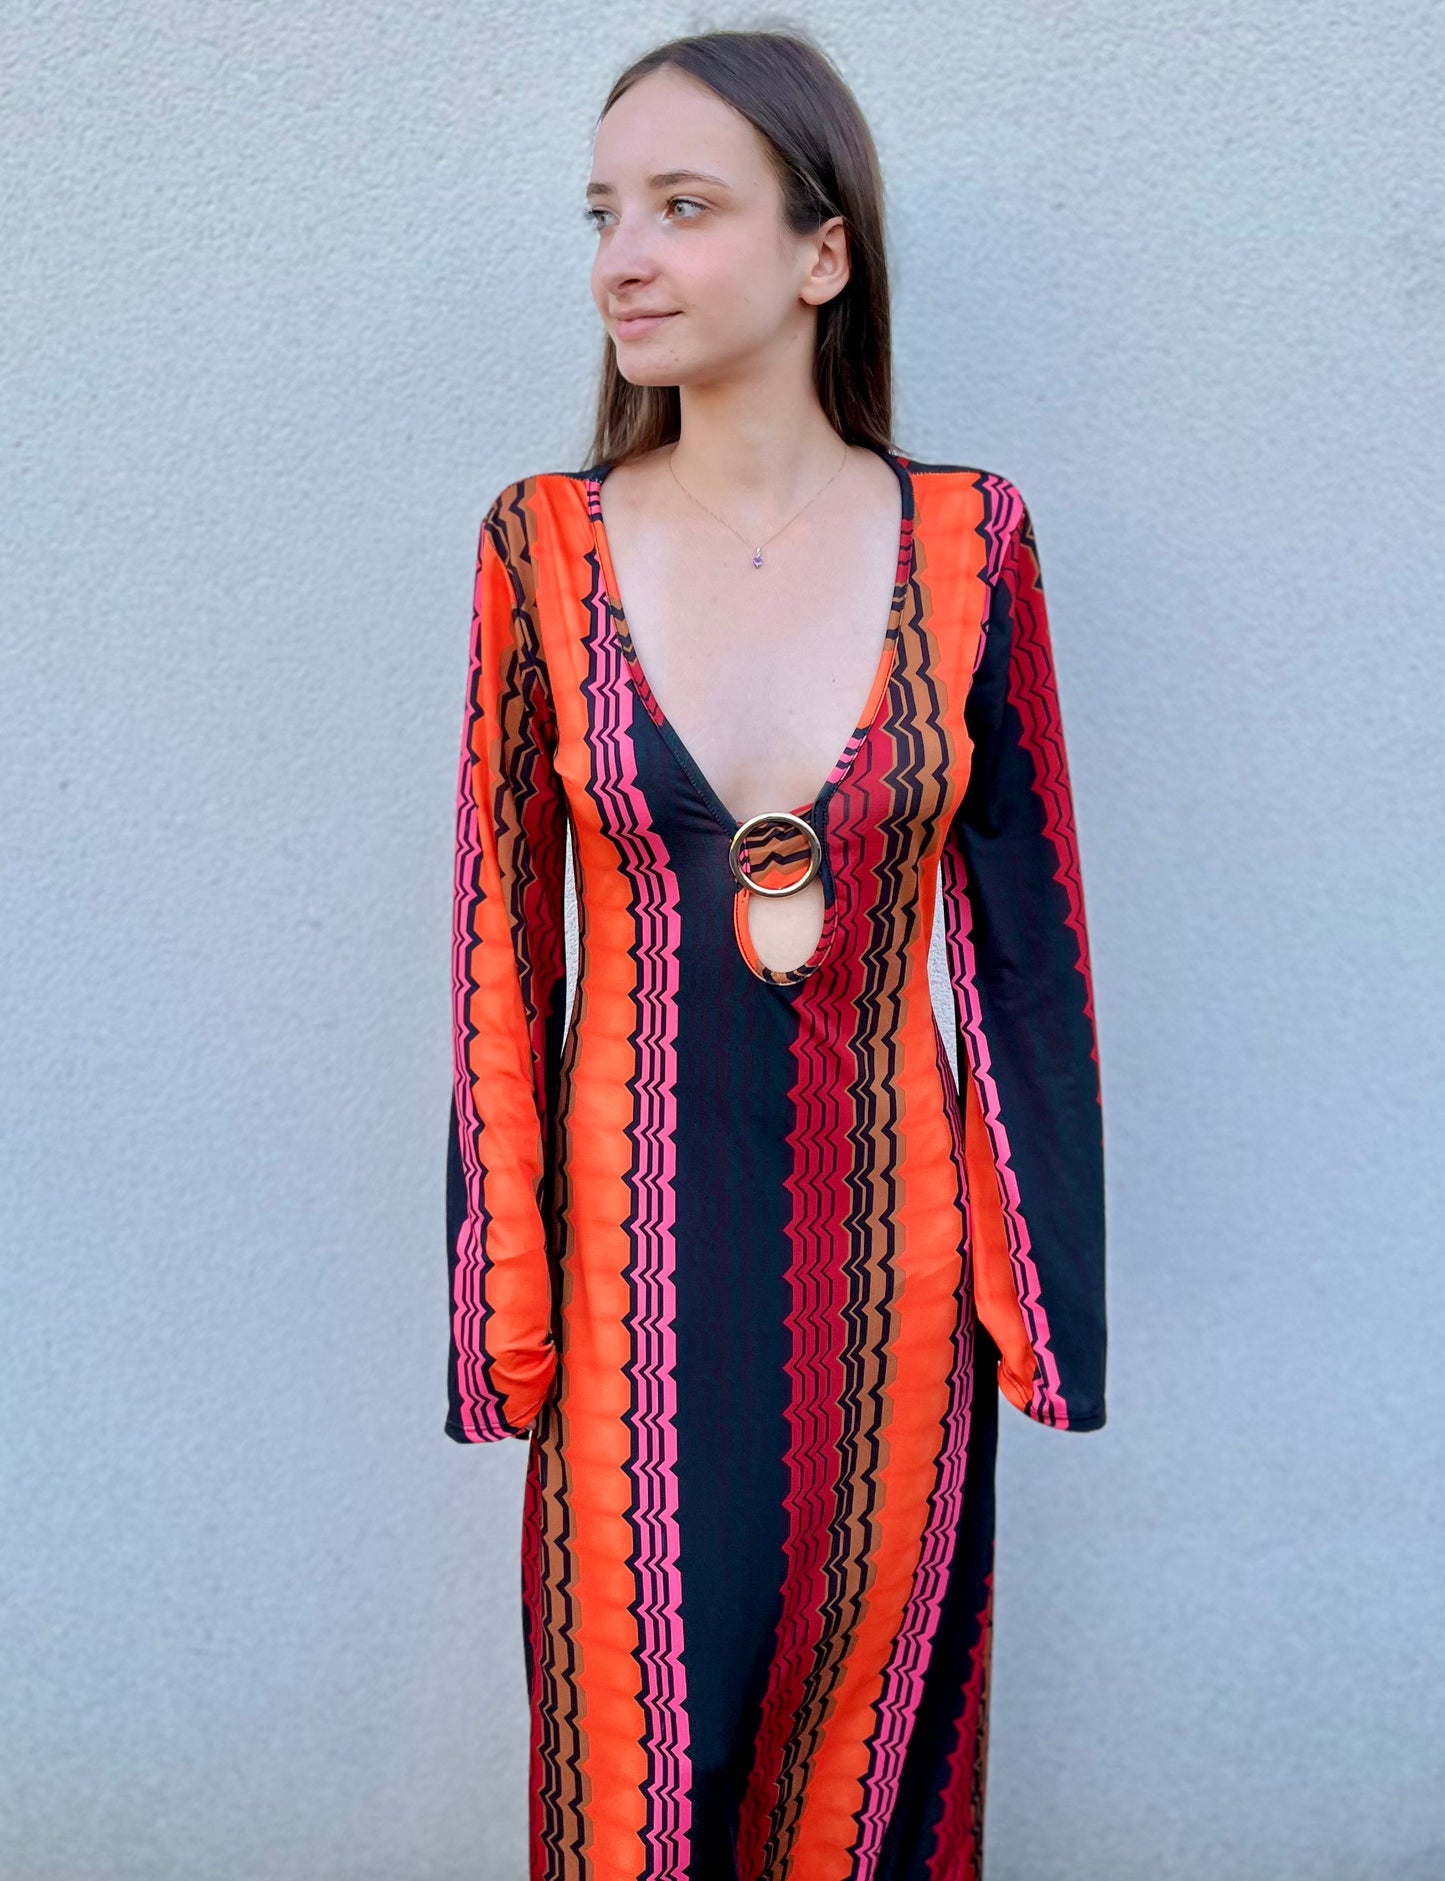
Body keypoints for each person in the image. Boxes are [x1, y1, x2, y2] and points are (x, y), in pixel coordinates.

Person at [445, 27, 1106, 1880]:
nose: (622, 259)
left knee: (870, 1801)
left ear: (823, 252)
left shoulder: (970, 543)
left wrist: (1041, 1303)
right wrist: (502, 1318)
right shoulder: (542, 547)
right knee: (634, 1794)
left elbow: (1033, 948)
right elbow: (496, 947)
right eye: (601, 214)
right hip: (623, 1295)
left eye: (682, 207)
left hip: (901, 1286)